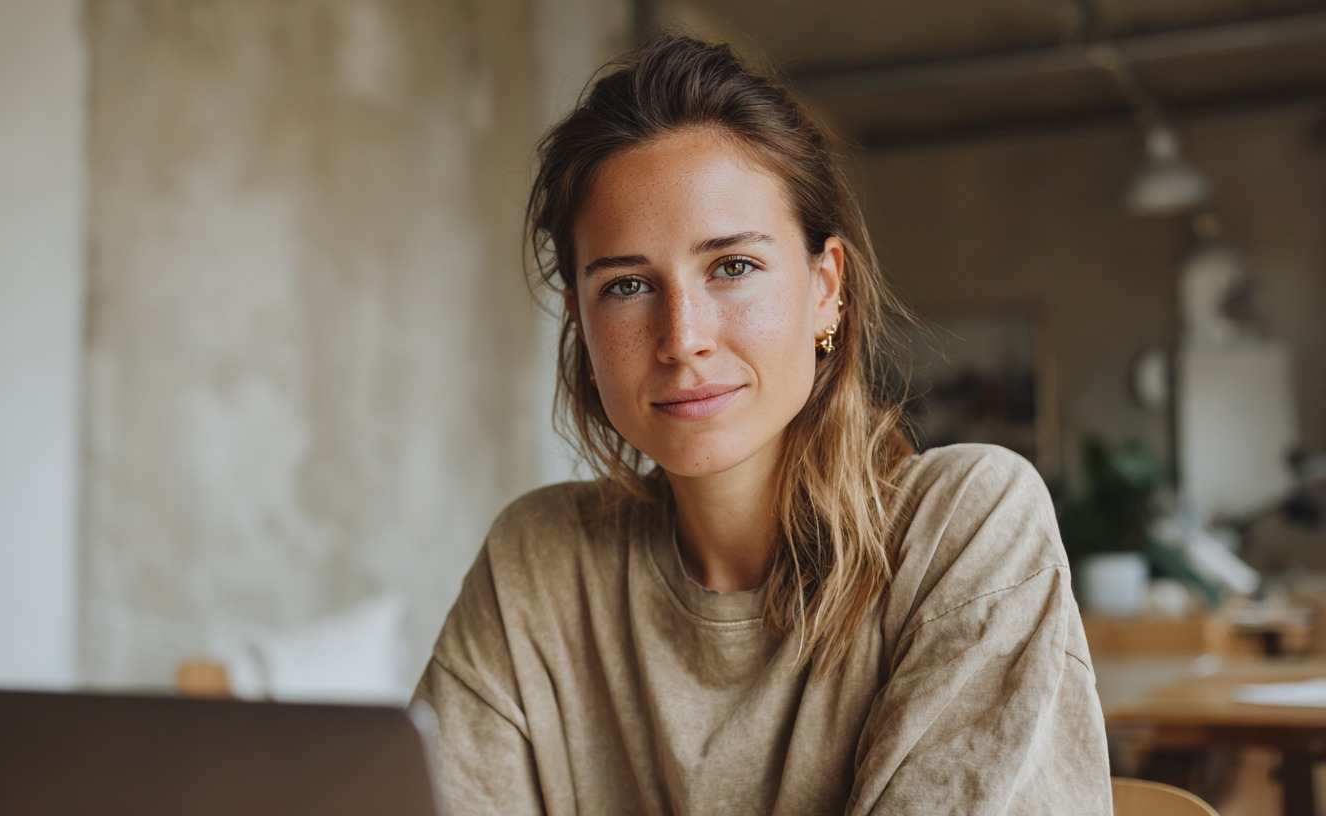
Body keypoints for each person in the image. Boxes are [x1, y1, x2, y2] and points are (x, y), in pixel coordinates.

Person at [412, 34, 1111, 815]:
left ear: (825, 288)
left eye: (733, 267)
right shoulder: (536, 565)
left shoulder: (965, 526)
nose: (683, 338)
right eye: (629, 285)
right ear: (578, 319)